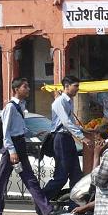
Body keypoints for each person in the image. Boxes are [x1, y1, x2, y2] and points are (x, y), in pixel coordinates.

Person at [0, 77, 53, 215]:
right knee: (1, 181)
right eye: (25, 87)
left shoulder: (21, 106)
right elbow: (6, 133)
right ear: (17, 89)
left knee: (30, 179)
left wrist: (34, 134)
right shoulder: (10, 107)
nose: (28, 89)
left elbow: (19, 128)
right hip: (12, 147)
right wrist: (12, 151)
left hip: (20, 144)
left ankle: (47, 211)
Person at [42, 75, 93, 203]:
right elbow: (65, 122)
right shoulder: (59, 102)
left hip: (67, 138)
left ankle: (74, 205)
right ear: (66, 87)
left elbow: (70, 122)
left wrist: (82, 130)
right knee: (61, 175)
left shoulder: (69, 101)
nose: (77, 89)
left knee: (76, 173)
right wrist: (82, 138)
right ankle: (42, 199)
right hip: (60, 138)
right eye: (75, 86)